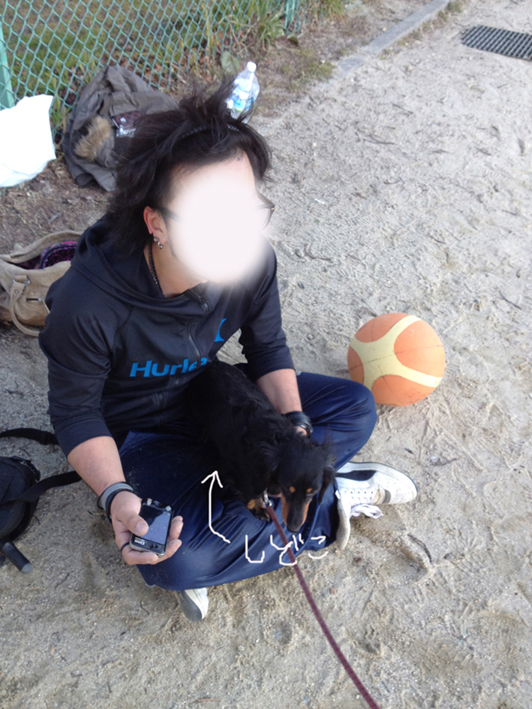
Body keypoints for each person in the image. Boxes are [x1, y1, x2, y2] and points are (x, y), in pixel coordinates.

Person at [39, 83, 417, 622]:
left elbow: (267, 349)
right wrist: (115, 494)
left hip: (215, 396)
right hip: (139, 433)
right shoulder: (88, 304)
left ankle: (249, 518)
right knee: (175, 562)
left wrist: (294, 428)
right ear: (156, 223)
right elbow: (75, 414)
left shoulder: (252, 259)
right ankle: (326, 504)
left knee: (353, 407)